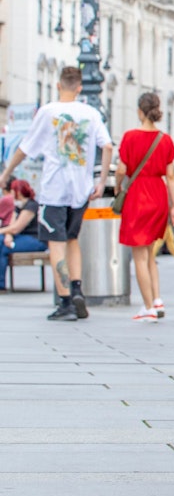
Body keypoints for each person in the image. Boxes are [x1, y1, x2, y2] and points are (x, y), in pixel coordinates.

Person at [0, 66, 113, 321]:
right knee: (73, 239)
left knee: (56, 243)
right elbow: (106, 146)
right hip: (81, 190)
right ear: (80, 88)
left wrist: (6, 173)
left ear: (58, 85)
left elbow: (25, 148)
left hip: (54, 189)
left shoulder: (49, 112)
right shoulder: (91, 113)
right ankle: (77, 289)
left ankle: (65, 302)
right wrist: (101, 180)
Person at [115, 93, 174, 322]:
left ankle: (147, 307)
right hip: (158, 194)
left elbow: (122, 169)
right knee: (150, 253)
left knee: (140, 256)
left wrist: (117, 187)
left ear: (139, 111)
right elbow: (171, 176)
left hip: (138, 195)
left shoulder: (130, 137)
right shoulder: (165, 139)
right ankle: (157, 299)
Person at [0, 181, 47, 293]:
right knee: (2, 242)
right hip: (20, 237)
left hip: (35, 239)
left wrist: (5, 232)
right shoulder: (18, 206)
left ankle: (1, 284)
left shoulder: (31, 205)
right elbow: (11, 226)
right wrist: (8, 235)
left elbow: (17, 227)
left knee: (5, 248)